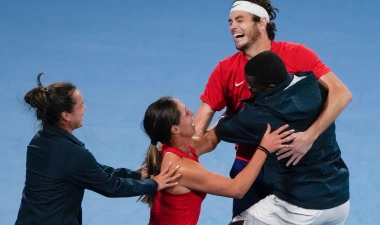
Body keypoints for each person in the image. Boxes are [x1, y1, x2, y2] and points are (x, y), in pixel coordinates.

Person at [194, 0, 353, 217]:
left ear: (262, 23)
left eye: (240, 19)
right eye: (230, 21)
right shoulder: (224, 70)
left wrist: (309, 136)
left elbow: (340, 93)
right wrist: (171, 157)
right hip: (249, 168)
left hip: (294, 171)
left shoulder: (297, 54)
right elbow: (200, 129)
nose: (232, 26)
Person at [15, 73, 181, 225]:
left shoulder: (39, 141)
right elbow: (111, 186)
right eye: (81, 105)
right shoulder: (73, 153)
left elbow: (92, 169)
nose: (85, 108)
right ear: (66, 115)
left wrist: (137, 175)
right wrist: (153, 184)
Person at [215, 51, 350, 225]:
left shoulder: (259, 116)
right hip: (340, 200)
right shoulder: (319, 89)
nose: (249, 90)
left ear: (271, 87)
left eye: (253, 88)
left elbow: (223, 128)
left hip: (300, 207)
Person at [139, 96, 295, 225]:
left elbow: (209, 139)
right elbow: (237, 189)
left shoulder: (177, 148)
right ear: (175, 129)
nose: (191, 112)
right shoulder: (180, 168)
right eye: (185, 113)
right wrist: (264, 148)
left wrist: (234, 112)